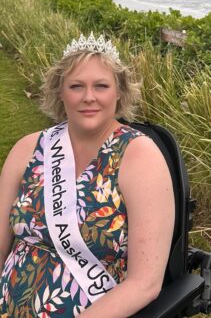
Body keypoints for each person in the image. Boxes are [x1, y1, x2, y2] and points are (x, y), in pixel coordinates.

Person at [0, 32, 175, 317]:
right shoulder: (27, 149)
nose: (89, 97)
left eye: (101, 86)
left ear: (119, 92)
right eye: (76, 86)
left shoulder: (141, 158)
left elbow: (145, 284)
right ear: (60, 91)